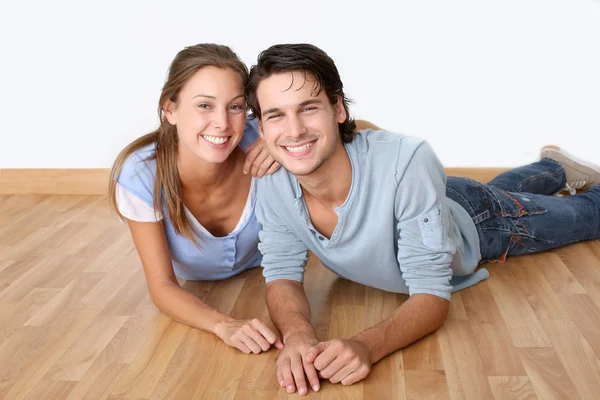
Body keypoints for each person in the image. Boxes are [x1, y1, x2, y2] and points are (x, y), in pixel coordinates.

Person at [246, 43, 600, 394]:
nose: (293, 131)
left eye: (308, 108)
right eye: (275, 115)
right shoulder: (273, 176)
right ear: (260, 127)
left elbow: (431, 293)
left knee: (585, 213)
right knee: (496, 191)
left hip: (479, 221)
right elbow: (280, 269)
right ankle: (554, 167)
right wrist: (297, 334)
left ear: (338, 108)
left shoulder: (410, 160)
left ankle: (554, 173)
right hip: (430, 198)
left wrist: (367, 345)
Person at [108, 43, 379, 355]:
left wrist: (283, 146)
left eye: (235, 107)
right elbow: (161, 286)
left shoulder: (267, 136)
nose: (222, 123)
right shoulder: (141, 175)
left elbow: (363, 134)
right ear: (170, 109)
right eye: (204, 106)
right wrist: (222, 324)